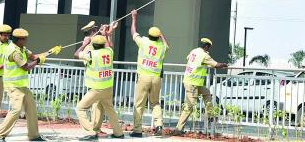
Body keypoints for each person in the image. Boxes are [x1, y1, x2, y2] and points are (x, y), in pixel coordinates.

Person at [0, 28, 49, 142]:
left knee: (31, 108)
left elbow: (33, 57)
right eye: (24, 39)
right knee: (16, 110)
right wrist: (38, 62)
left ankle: (34, 135)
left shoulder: (22, 48)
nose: (26, 41)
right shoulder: (14, 52)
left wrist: (49, 52)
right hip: (13, 85)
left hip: (22, 86)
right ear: (19, 40)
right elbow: (26, 67)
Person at [171, 38, 228, 136]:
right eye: (209, 47)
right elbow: (216, 64)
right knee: (189, 106)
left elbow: (190, 59)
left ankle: (210, 115)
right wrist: (224, 65)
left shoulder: (194, 51)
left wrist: (205, 64)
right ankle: (178, 129)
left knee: (207, 93)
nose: (209, 49)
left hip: (194, 83)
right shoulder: (204, 55)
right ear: (206, 46)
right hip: (192, 83)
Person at [75, 29, 125, 140]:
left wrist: (84, 44)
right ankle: (119, 133)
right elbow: (108, 45)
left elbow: (76, 54)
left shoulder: (91, 54)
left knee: (80, 108)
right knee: (110, 110)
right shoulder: (109, 52)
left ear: (93, 44)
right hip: (108, 87)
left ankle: (91, 132)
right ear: (103, 44)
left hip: (96, 88)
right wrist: (105, 34)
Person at [129, 9, 169, 137]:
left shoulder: (144, 41)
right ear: (158, 37)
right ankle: (158, 125)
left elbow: (134, 32)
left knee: (139, 103)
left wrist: (134, 18)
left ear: (149, 34)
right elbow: (166, 44)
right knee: (155, 103)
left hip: (143, 76)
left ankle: (137, 130)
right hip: (156, 78)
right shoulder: (162, 47)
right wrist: (161, 34)